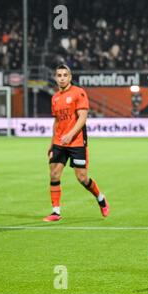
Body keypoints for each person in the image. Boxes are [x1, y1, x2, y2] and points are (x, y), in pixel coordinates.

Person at [43, 64, 109, 222]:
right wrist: (53, 142)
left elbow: (82, 118)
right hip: (60, 142)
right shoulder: (55, 97)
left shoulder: (78, 93)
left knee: (82, 178)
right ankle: (55, 212)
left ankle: (100, 198)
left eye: (65, 75)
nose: (62, 78)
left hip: (77, 142)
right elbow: (57, 121)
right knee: (54, 174)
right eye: (59, 75)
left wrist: (70, 135)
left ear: (70, 77)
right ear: (55, 78)